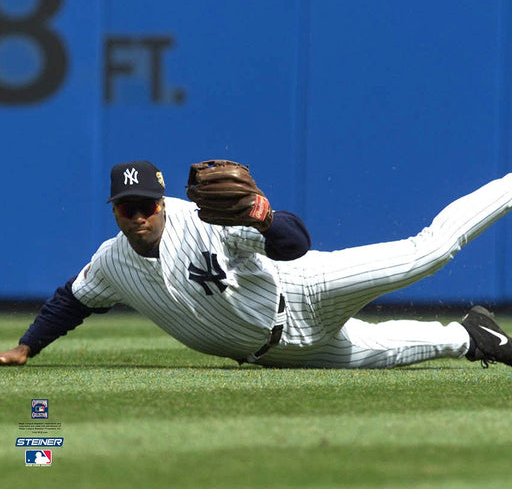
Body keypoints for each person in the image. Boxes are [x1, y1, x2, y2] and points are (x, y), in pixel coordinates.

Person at [1, 159, 512, 369]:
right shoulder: (111, 262)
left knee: (429, 251)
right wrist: (27, 347)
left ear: (161, 203)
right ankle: (474, 336)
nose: (136, 216)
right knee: (398, 349)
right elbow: (72, 300)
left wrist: (263, 217)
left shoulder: (204, 219)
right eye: (125, 207)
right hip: (280, 353)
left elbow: (296, 244)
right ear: (113, 210)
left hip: (307, 290)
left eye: (145, 205)